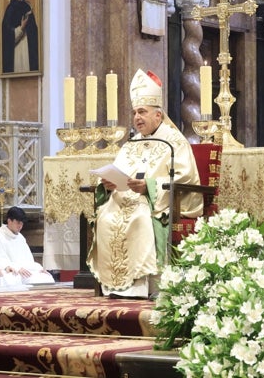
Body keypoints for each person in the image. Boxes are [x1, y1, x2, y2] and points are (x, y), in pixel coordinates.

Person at [86, 69, 202, 299]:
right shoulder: (132, 143)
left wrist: (149, 186)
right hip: (125, 198)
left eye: (142, 112)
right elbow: (118, 169)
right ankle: (114, 285)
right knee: (106, 218)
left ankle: (143, 287)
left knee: (139, 219)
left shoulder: (174, 141)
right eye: (134, 113)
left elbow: (185, 177)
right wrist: (107, 182)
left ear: (158, 116)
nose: (137, 117)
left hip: (155, 203)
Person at [0, 206, 55, 284]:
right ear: (9, 221)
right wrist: (17, 268)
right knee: (10, 279)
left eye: (22, 223)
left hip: (26, 271)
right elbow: (0, 261)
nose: (20, 226)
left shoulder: (20, 237)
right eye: (18, 223)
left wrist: (38, 268)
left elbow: (29, 259)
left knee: (47, 277)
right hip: (13, 272)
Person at [1, 0, 39, 73]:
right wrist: (21, 28)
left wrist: (30, 27)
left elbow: (34, 29)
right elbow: (6, 32)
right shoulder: (10, 9)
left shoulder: (27, 6)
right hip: (16, 48)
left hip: (27, 44)